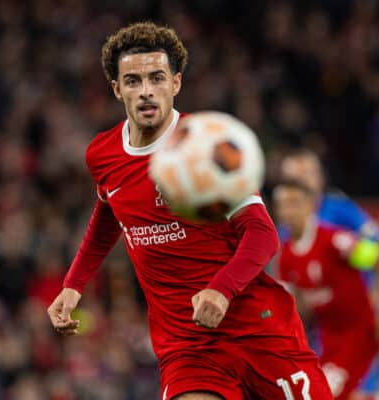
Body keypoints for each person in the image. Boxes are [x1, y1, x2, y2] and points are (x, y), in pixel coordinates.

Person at [47, 22, 332, 400]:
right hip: (187, 347)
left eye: (157, 78)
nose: (146, 91)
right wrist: (73, 283)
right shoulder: (103, 154)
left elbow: (262, 234)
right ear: (117, 89)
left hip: (256, 328)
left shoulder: (206, 147)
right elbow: (108, 213)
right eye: (132, 81)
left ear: (176, 83)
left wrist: (221, 291)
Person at [279, 148, 379, 399]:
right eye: (294, 175)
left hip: (357, 328)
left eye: (307, 173)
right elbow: (298, 296)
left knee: (337, 391)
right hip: (324, 334)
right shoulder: (286, 244)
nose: (288, 209)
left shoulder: (337, 224)